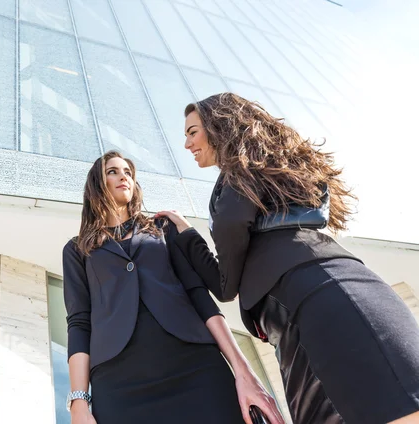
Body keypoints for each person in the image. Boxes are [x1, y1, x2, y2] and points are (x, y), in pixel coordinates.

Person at [156, 93, 419, 424]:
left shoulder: (241, 174)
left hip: (318, 304)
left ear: (219, 125)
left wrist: (192, 236)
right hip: (324, 303)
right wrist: (188, 236)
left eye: (192, 132)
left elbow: (226, 278)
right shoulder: (261, 175)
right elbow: (226, 284)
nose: (186, 144)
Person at [63, 151, 284, 424]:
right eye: (113, 171)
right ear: (97, 183)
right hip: (119, 382)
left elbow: (198, 296)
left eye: (128, 172)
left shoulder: (161, 229)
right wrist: (79, 402)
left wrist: (243, 369)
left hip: (195, 365)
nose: (124, 176)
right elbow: (79, 324)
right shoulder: (77, 250)